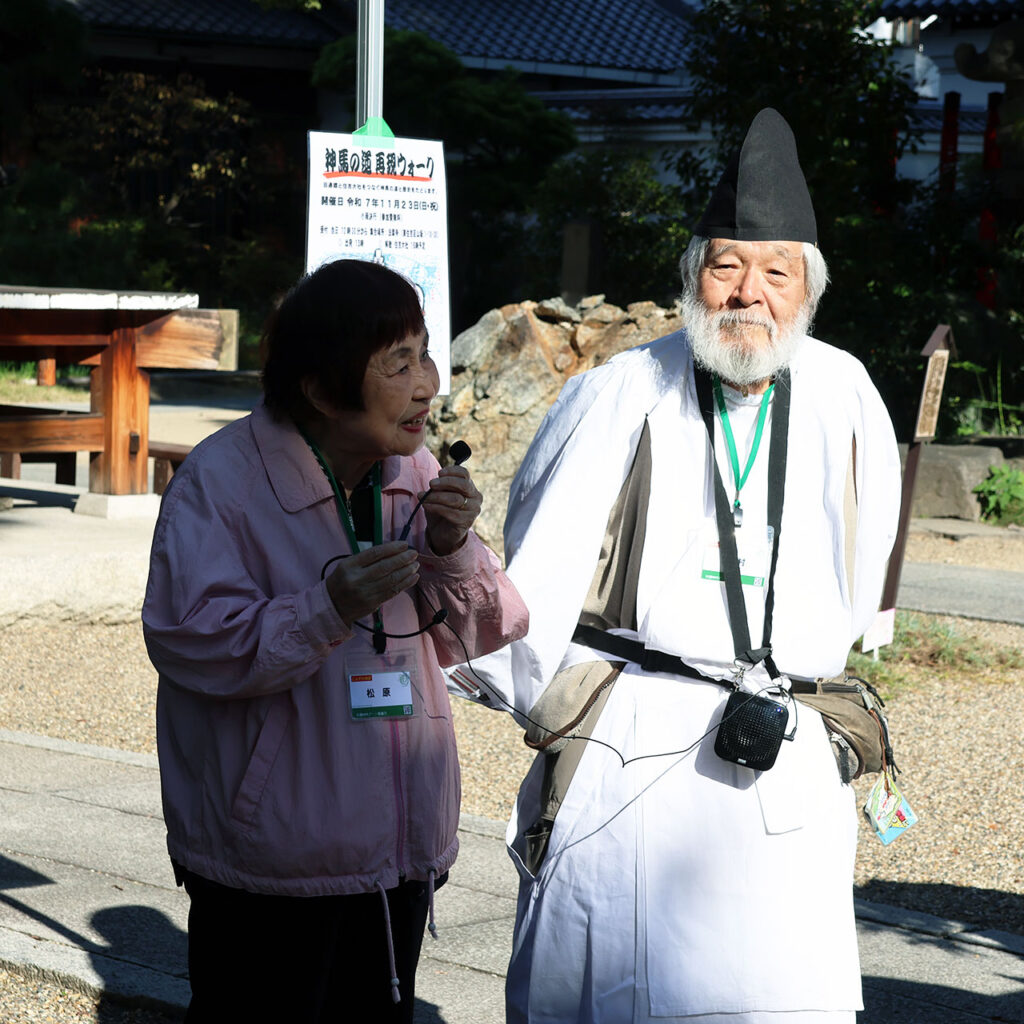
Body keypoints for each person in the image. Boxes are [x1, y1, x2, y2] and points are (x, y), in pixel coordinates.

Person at [456, 109, 903, 1022]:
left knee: (779, 995)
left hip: (784, 737)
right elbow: (538, 566)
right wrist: (534, 686)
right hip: (639, 740)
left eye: (777, 271)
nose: (749, 293)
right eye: (726, 265)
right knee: (616, 987)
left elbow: (873, 569)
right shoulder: (621, 389)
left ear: (808, 288)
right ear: (693, 275)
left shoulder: (845, 389)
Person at [142, 258, 528, 1023]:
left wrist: (451, 543)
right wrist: (327, 607)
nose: (429, 384)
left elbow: (487, 630)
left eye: (424, 354)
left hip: (397, 853)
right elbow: (190, 641)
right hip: (272, 866)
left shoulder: (412, 471)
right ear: (321, 390)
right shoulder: (223, 482)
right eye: (399, 363)